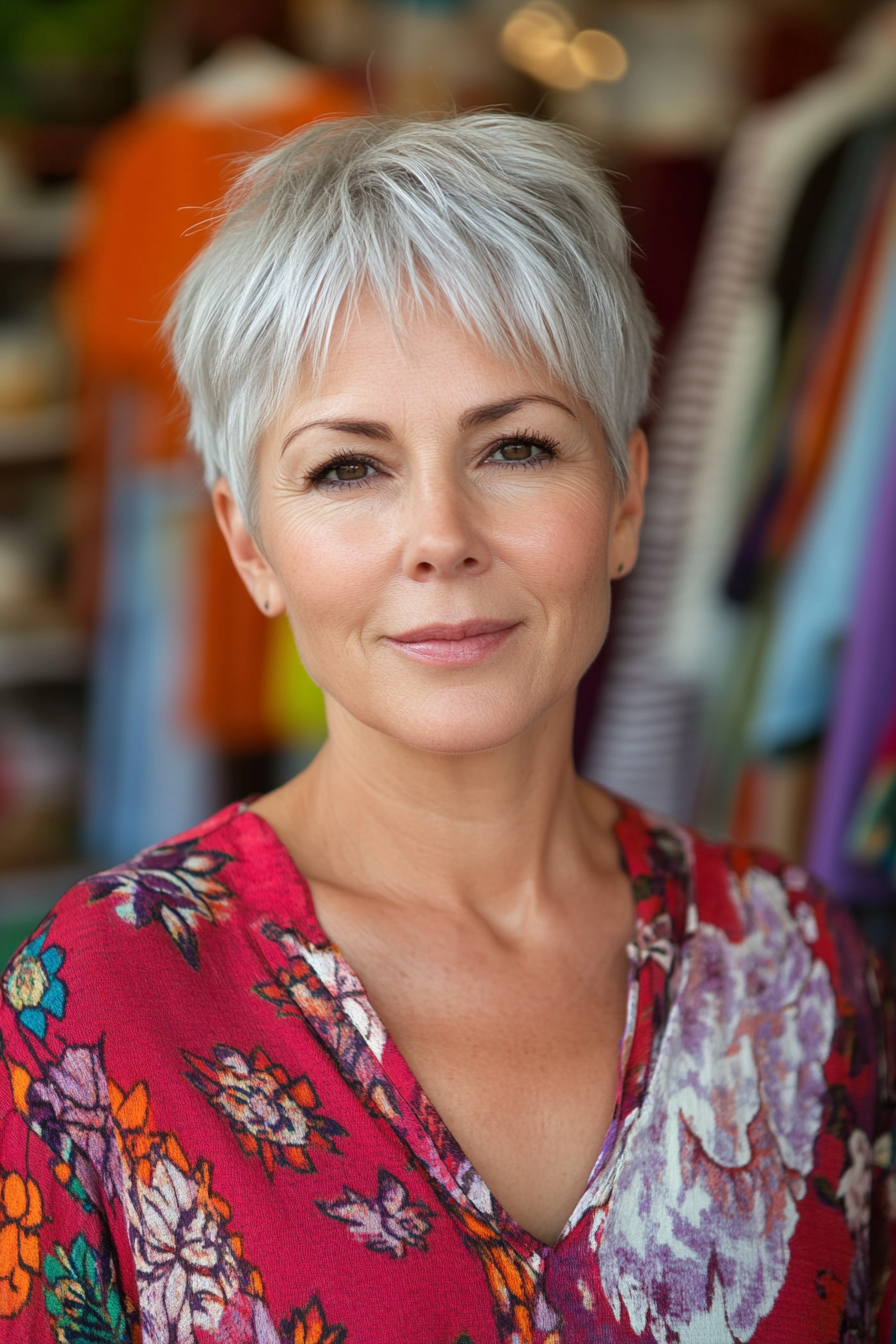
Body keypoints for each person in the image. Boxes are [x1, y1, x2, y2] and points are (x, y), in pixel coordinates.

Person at [0, 113, 892, 1344]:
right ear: (248, 543)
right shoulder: (103, 996)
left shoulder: (795, 968)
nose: (441, 535)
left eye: (515, 447)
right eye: (347, 469)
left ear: (626, 498)